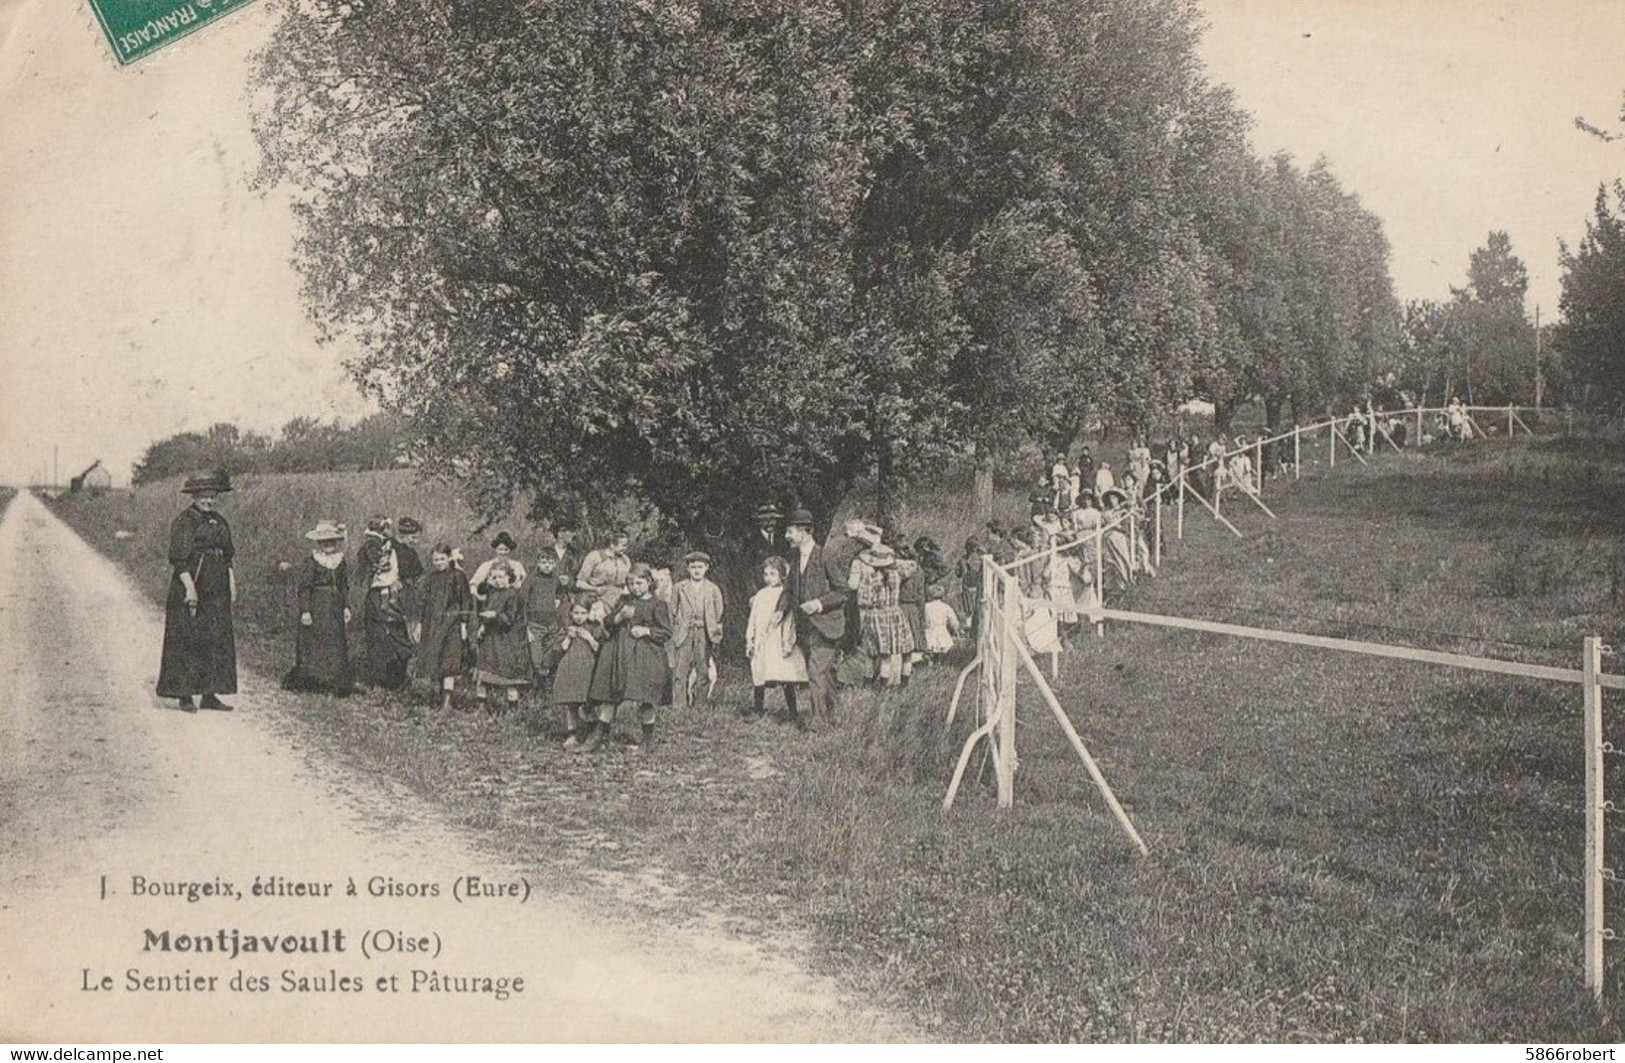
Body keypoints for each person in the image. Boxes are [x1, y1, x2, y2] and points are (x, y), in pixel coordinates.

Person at [156, 472, 238, 712]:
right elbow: (179, 560)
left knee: (215, 637)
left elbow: (228, 555)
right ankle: (185, 694)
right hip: (192, 582)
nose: (209, 501)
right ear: (193, 497)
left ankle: (210, 694)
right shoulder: (184, 521)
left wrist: (232, 582)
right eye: (204, 496)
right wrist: (190, 589)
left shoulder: (220, 521)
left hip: (217, 586)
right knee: (188, 638)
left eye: (212, 496)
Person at [584, 563, 671, 753]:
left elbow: (665, 632)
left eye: (639, 583)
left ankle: (647, 741)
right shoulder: (624, 600)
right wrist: (619, 617)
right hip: (619, 653)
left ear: (649, 583)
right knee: (611, 694)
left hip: (645, 656)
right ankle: (598, 737)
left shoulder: (657, 605)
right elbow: (608, 623)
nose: (635, 587)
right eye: (631, 583)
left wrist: (647, 630)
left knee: (645, 698)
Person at [784, 508, 848, 721]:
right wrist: (776, 611)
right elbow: (789, 591)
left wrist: (819, 603)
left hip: (827, 625)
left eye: (790, 531)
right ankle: (835, 716)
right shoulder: (795, 557)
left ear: (804, 532)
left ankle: (817, 724)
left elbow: (842, 591)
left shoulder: (825, 555)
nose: (787, 537)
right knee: (823, 674)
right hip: (805, 628)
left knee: (816, 674)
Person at [281, 519, 354, 695]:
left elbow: (344, 586)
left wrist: (346, 607)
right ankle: (314, 679)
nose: (328, 545)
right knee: (315, 641)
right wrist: (305, 611)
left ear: (336, 542)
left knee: (334, 641)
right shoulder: (312, 561)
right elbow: (305, 588)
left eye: (331, 541)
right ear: (318, 543)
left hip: (335, 607)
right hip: (317, 606)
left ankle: (333, 681)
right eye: (324, 541)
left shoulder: (340, 561)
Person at [744, 556, 808, 727]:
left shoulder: (785, 595)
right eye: (766, 574)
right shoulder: (760, 595)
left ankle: (793, 711)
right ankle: (758, 709)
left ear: (782, 575)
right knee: (759, 673)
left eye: (773, 574)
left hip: (778, 640)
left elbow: (789, 620)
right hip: (763, 641)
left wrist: (788, 641)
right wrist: (750, 639)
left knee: (785, 674)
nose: (768, 578)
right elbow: (753, 618)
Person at [849, 531, 913, 688]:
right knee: (900, 652)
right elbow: (911, 566)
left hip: (876, 615)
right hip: (895, 613)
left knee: (874, 654)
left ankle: (871, 684)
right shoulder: (897, 576)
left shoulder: (872, 579)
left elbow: (865, 599)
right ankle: (902, 685)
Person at [357, 517, 414, 691]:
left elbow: (410, 571)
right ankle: (380, 683)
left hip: (396, 597)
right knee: (378, 637)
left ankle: (398, 680)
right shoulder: (370, 546)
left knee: (398, 636)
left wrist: (402, 582)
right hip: (378, 596)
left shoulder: (394, 547)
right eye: (386, 528)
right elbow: (365, 571)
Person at [417, 544, 472, 712]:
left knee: (450, 661)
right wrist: (420, 623)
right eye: (436, 560)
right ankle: (438, 696)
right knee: (436, 660)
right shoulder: (431, 578)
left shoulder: (458, 576)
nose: (439, 562)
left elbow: (465, 600)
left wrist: (464, 623)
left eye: (442, 559)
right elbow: (423, 602)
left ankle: (447, 701)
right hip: (433, 623)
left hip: (452, 623)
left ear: (449, 558)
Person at [669, 550, 724, 713]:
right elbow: (672, 610)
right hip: (684, 632)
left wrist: (712, 627)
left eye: (700, 567)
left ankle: (700, 703)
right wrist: (677, 628)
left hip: (704, 632)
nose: (697, 570)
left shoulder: (713, 589)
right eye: (693, 567)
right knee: (681, 668)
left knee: (703, 667)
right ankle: (679, 704)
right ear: (687, 569)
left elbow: (719, 611)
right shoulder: (679, 587)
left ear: (706, 568)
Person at [473, 561, 530, 708]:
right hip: (490, 638)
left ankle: (512, 709)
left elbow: (509, 620)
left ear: (509, 577)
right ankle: (481, 707)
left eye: (500, 577)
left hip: (506, 640)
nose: (497, 580)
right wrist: (482, 626)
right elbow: (485, 609)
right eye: (494, 577)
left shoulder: (513, 595)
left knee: (508, 679)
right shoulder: (492, 593)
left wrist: (495, 615)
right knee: (483, 674)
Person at [553, 601, 606, 750]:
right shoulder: (567, 628)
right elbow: (560, 649)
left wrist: (589, 637)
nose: (579, 617)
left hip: (588, 669)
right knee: (571, 703)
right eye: (576, 613)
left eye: (583, 613)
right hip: (570, 668)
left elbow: (599, 649)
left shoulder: (595, 628)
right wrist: (568, 638)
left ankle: (594, 734)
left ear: (589, 613)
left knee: (588, 704)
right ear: (571, 613)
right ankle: (572, 735)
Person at [524, 549, 568, 694]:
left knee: (548, 658)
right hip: (535, 624)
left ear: (555, 564)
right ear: (538, 563)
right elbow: (522, 602)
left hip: (551, 624)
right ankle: (534, 687)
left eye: (550, 563)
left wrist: (557, 601)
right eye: (543, 562)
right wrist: (526, 626)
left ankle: (543, 689)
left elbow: (561, 593)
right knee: (536, 658)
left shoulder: (555, 579)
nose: (547, 566)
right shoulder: (531, 579)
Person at [575, 526, 633, 620]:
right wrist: (595, 589)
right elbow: (579, 583)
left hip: (618, 599)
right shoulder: (594, 556)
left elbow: (629, 582)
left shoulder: (625, 560)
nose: (625, 548)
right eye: (623, 545)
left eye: (626, 545)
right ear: (612, 545)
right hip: (595, 596)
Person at [395, 516, 426, 645]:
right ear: (402, 535)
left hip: (410, 592)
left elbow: (419, 573)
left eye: (417, 538)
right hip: (397, 590)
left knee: (413, 625)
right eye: (413, 538)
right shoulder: (392, 548)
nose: (415, 541)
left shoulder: (411, 552)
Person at [470, 531, 527, 596]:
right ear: (496, 550)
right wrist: (479, 596)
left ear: (510, 550)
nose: (503, 553)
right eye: (500, 549)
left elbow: (524, 584)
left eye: (506, 549)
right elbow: (474, 583)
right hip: (492, 599)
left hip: (511, 599)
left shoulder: (517, 565)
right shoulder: (486, 565)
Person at [923, 584, 962, 659]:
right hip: (941, 630)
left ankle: (930, 660)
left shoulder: (926, 606)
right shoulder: (946, 607)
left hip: (930, 630)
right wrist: (955, 628)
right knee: (941, 647)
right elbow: (953, 619)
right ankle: (938, 661)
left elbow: (923, 618)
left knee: (931, 646)